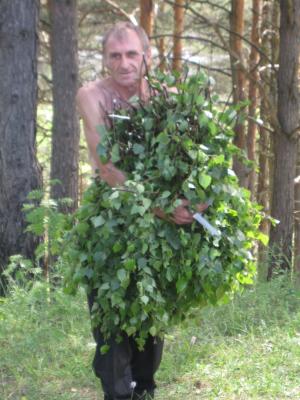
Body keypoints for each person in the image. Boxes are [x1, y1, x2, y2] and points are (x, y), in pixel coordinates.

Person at [76, 21, 207, 400]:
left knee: (150, 318)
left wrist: (199, 197)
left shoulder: (166, 96)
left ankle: (145, 388)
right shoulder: (92, 96)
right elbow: (107, 167)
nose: (124, 63)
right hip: (111, 221)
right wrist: (162, 207)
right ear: (105, 60)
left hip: (157, 231)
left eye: (132, 54)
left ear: (147, 57)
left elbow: (193, 157)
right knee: (112, 319)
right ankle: (117, 392)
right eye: (115, 55)